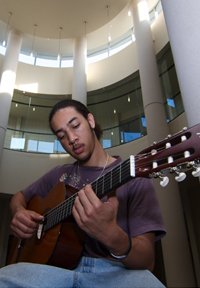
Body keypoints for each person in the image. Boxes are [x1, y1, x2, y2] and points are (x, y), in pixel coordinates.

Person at [0, 99, 166, 287]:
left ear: (91, 121)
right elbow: (19, 196)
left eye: (75, 126)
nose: (71, 139)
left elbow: (147, 262)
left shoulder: (134, 177)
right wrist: (19, 211)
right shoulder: (59, 175)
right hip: (53, 270)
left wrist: (111, 235)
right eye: (61, 135)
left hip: (113, 272)